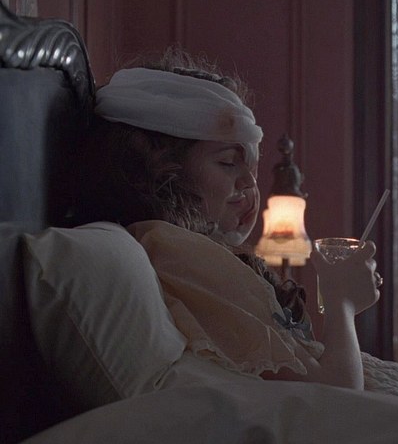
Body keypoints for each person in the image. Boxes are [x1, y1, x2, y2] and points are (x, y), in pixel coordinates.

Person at [70, 49, 380, 390]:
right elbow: (335, 393)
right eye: (229, 163)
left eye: (251, 166)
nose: (249, 182)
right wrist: (341, 301)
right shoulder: (178, 252)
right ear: (161, 171)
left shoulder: (195, 251)